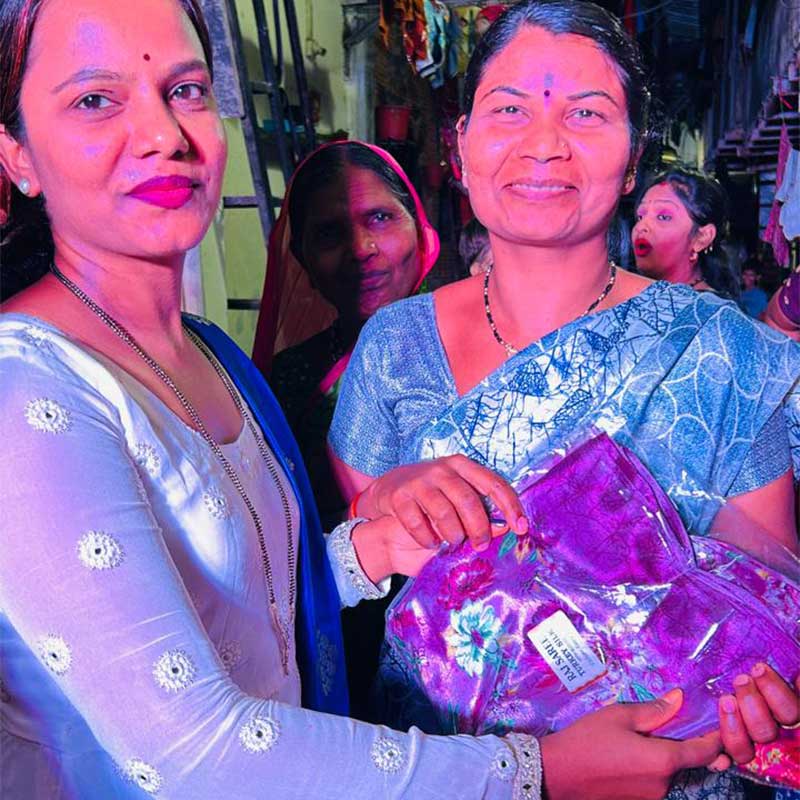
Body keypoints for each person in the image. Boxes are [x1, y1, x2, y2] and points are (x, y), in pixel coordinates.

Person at [1, 2, 772, 799]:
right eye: (95, 99)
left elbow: (253, 620)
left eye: (186, 90)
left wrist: (371, 548)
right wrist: (536, 772)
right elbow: (194, 754)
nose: (163, 133)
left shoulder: (210, 358)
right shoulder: (27, 390)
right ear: (16, 153)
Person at [328, 2, 800, 798]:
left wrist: (761, 694)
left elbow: (764, 606)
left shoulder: (721, 354)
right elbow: (352, 585)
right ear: (462, 144)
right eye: (509, 110)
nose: (544, 144)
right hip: (440, 773)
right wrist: (383, 502)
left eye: (586, 113)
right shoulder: (394, 349)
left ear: (634, 156)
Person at [252, 140, 438, 527]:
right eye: (329, 234)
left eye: (380, 218)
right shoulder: (288, 379)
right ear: (302, 259)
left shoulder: (477, 337)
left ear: (419, 229)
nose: (360, 248)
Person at [632, 168, 741, 299]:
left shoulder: (710, 309)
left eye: (663, 217)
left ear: (702, 237)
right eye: (640, 216)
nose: (641, 227)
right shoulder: (636, 298)